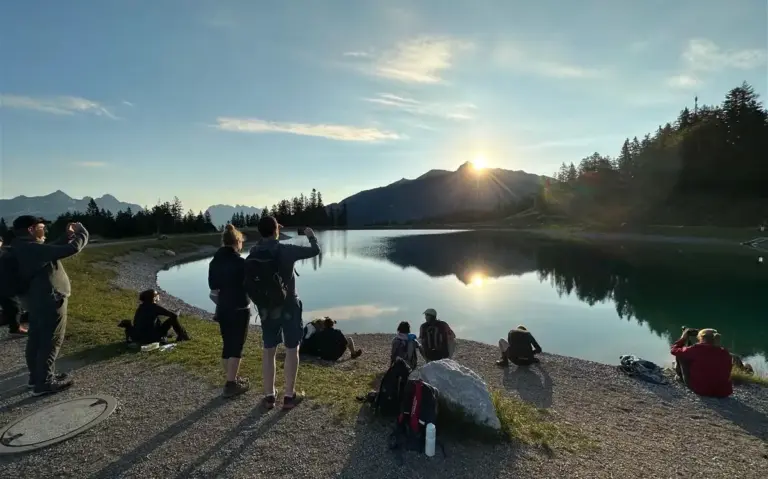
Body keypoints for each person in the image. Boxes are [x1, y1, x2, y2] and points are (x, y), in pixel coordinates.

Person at [247, 215, 320, 410]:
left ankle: (269, 395)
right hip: (289, 306)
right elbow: (315, 250)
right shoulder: (285, 250)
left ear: (260, 232)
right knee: (291, 349)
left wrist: (272, 231)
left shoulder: (254, 252)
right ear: (276, 230)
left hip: (266, 309)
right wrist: (311, 236)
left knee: (269, 350)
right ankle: (289, 396)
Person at [11, 216, 88, 396]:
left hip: (36, 301)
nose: (44, 230)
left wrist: (66, 236)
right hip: (50, 301)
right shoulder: (31, 248)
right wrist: (82, 232)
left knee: (36, 339)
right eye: (41, 227)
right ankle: (44, 382)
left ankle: (36, 377)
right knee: (50, 341)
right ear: (31, 229)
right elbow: (72, 248)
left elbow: (49, 250)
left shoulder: (21, 246)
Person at [208, 224, 251, 398]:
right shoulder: (241, 263)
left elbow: (213, 290)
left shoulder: (214, 262)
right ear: (237, 242)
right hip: (240, 308)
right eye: (241, 242)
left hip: (223, 309)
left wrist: (222, 303)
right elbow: (249, 285)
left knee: (227, 345)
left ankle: (231, 378)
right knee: (237, 347)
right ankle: (231, 384)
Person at [671, 328, 733, 398]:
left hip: (701, 390)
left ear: (702, 338)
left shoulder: (697, 349)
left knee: (681, 355)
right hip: (723, 392)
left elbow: (674, 350)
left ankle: (680, 377)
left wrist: (683, 338)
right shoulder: (724, 352)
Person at [0, 235, 28, 337]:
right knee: (14, 307)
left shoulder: (8, 251)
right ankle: (15, 328)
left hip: (8, 285)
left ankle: (13, 325)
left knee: (14, 307)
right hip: (4, 287)